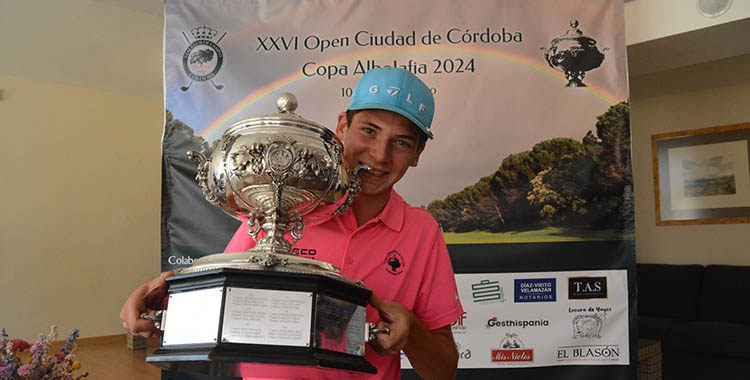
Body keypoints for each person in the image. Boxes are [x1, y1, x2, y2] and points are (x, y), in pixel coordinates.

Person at [121, 67, 464, 380]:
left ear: (418, 154)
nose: (379, 155)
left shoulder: (421, 232)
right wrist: (162, 296)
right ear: (343, 126)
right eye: (369, 131)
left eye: (401, 143)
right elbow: (222, 294)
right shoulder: (283, 201)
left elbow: (444, 369)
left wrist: (413, 332)